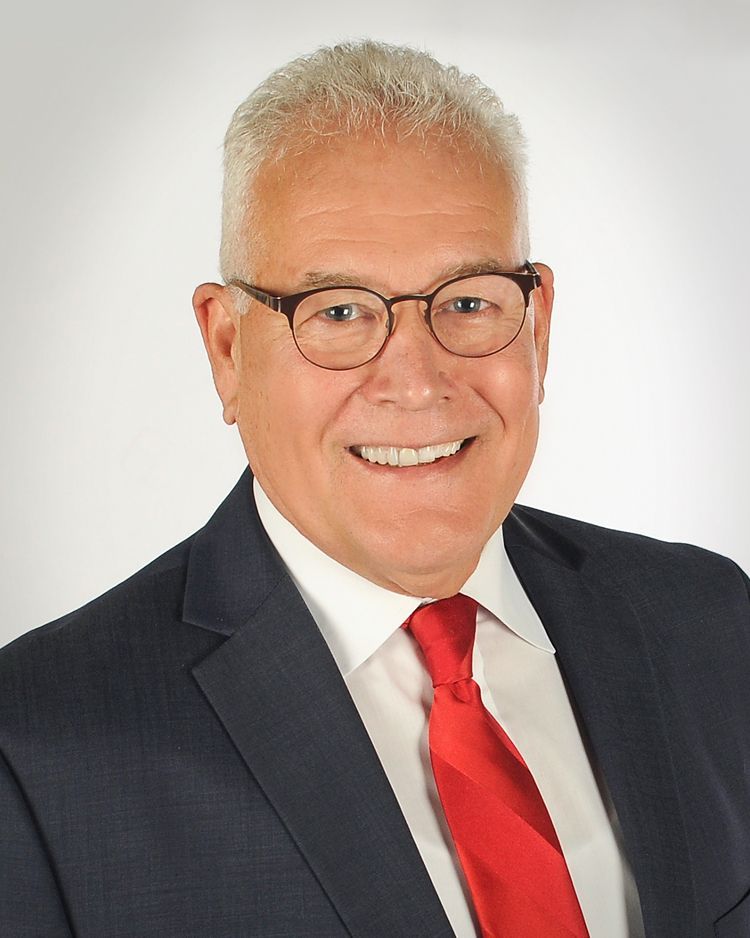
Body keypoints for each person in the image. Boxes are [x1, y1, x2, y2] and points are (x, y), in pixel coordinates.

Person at [1, 40, 749, 938]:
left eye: (469, 302)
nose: (418, 382)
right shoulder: (39, 749)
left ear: (537, 327)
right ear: (227, 350)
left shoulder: (710, 623)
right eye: (341, 312)